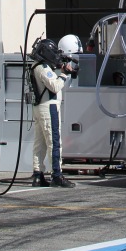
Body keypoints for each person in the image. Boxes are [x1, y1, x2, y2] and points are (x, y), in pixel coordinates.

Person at [28, 38, 76, 188]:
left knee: (39, 143)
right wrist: (64, 74)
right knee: (54, 142)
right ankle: (57, 175)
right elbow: (54, 86)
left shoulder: (36, 66)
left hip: (39, 108)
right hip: (48, 108)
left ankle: (38, 174)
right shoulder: (42, 68)